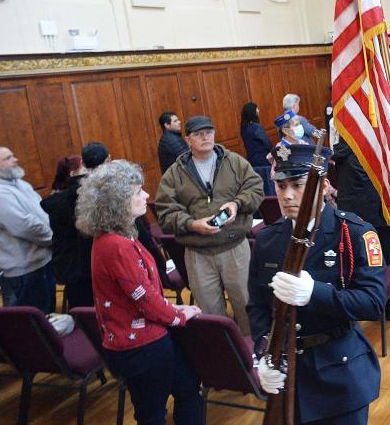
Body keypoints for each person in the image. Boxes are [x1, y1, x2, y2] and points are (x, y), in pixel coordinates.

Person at [249, 144, 385, 425]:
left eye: (298, 185)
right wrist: (263, 353)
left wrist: (315, 293)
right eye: (281, 185)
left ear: (323, 186)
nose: (287, 196)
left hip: (339, 371)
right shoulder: (267, 240)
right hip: (292, 376)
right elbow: (258, 306)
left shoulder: (354, 233)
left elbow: (373, 302)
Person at [76, 160, 203, 425]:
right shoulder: (116, 245)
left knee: (187, 389)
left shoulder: (115, 237)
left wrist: (171, 311)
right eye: (137, 192)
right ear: (117, 202)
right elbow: (143, 297)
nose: (146, 195)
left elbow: (141, 295)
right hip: (141, 346)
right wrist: (180, 315)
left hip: (144, 339)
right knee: (152, 413)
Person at [155, 115, 264, 335]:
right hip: (198, 254)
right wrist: (192, 224)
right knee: (211, 316)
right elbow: (165, 213)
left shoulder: (233, 161)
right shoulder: (175, 174)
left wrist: (236, 204)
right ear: (188, 139)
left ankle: (256, 358)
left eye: (209, 132)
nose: (205, 137)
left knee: (248, 308)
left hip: (235, 248)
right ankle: (226, 361)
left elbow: (256, 188)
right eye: (198, 134)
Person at [332, 139, 390, 320]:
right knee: (385, 262)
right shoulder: (364, 151)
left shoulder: (343, 150)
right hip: (376, 216)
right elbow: (379, 183)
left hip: (350, 217)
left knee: (361, 265)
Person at [40, 142, 110, 309]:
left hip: (71, 269)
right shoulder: (95, 196)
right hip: (93, 267)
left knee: (84, 317)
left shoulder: (57, 201)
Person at [0, 146, 54, 312]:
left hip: (42, 259)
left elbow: (43, 212)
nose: (15, 160)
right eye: (8, 158)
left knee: (49, 315)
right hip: (24, 270)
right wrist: (54, 238)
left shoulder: (20, 184)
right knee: (36, 320)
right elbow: (24, 226)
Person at [239, 102, 272, 168]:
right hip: (263, 159)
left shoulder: (243, 128)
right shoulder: (256, 127)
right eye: (257, 109)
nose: (258, 110)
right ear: (253, 112)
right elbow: (266, 143)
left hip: (251, 160)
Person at [157, 111, 188, 176]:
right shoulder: (172, 140)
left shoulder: (169, 137)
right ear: (167, 125)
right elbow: (187, 160)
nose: (179, 122)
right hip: (178, 179)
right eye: (175, 121)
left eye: (178, 120)